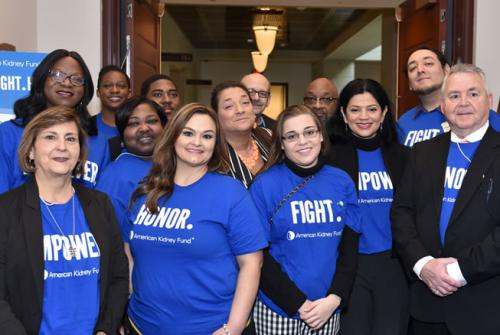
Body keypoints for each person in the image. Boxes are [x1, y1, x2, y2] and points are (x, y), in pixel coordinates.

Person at [123, 103, 267, 334]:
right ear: (173, 137)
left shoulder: (231, 193)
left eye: (207, 136)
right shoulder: (146, 191)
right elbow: (129, 254)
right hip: (142, 325)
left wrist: (234, 327)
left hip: (211, 327)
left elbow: (251, 264)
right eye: (188, 133)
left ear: (215, 144)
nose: (197, 142)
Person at [391, 63, 500, 335]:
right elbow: (401, 213)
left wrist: (460, 271)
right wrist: (423, 265)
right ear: (442, 105)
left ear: (489, 101)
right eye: (453, 96)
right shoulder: (421, 152)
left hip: (484, 304)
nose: (463, 103)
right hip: (427, 304)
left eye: (473, 94)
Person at [0, 106, 129, 335]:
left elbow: (118, 277)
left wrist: (106, 329)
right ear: (30, 150)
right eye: (50, 137)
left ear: (79, 152)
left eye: (71, 139)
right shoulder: (6, 210)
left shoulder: (100, 205)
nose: (62, 146)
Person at [250, 105, 361, 335]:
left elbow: (349, 250)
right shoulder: (264, 185)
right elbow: (257, 257)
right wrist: (299, 304)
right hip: (278, 309)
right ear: (281, 143)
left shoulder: (341, 181)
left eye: (309, 132)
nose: (302, 141)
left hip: (328, 308)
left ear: (321, 135)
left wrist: (335, 298)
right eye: (291, 136)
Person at [327, 79, 409, 335]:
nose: (364, 117)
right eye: (355, 109)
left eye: (372, 109)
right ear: (343, 114)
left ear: (384, 112)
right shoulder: (328, 158)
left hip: (394, 265)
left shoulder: (404, 157)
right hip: (349, 265)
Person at [0, 49, 110, 192]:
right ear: (42, 79)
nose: (67, 83)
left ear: (85, 90)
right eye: (58, 75)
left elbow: (100, 204)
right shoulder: (9, 133)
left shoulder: (98, 141)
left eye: (76, 79)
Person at [397, 46, 500, 147]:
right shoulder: (403, 123)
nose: (420, 70)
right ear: (409, 84)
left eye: (428, 63)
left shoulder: (483, 117)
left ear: (446, 70)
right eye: (412, 68)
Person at [96, 96, 167, 236]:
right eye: (133, 124)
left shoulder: (176, 164)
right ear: (122, 135)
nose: (144, 128)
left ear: (165, 127)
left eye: (152, 121)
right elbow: (109, 233)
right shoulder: (115, 176)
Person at [211, 81, 272, 188]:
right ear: (216, 115)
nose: (240, 110)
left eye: (245, 102)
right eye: (229, 106)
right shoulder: (211, 155)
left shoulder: (269, 137)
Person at [94, 65, 131, 141]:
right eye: (107, 86)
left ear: (129, 93)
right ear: (98, 92)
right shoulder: (85, 127)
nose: (115, 90)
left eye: (121, 86)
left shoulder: (138, 127)